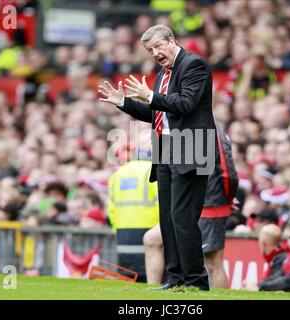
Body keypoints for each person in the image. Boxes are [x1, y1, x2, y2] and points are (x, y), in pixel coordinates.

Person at [98, 24, 217, 291]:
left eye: (158, 46)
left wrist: (151, 96)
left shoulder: (193, 64)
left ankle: (196, 282)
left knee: (183, 218)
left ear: (171, 39)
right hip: (164, 150)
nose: (155, 53)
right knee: (168, 219)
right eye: (150, 50)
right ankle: (175, 278)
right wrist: (124, 102)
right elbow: (158, 114)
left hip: (192, 148)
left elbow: (186, 104)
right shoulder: (163, 74)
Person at [143, 122, 239, 288]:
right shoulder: (178, 128)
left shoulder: (213, 130)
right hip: (188, 201)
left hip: (210, 204)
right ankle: (156, 288)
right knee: (152, 239)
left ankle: (219, 296)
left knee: (212, 262)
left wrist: (228, 198)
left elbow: (227, 170)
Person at [107, 147, 159, 283]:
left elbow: (111, 207)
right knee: (150, 275)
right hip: (151, 230)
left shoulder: (117, 174)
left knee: (127, 275)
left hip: (123, 231)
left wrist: (116, 227)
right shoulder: (154, 171)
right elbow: (163, 203)